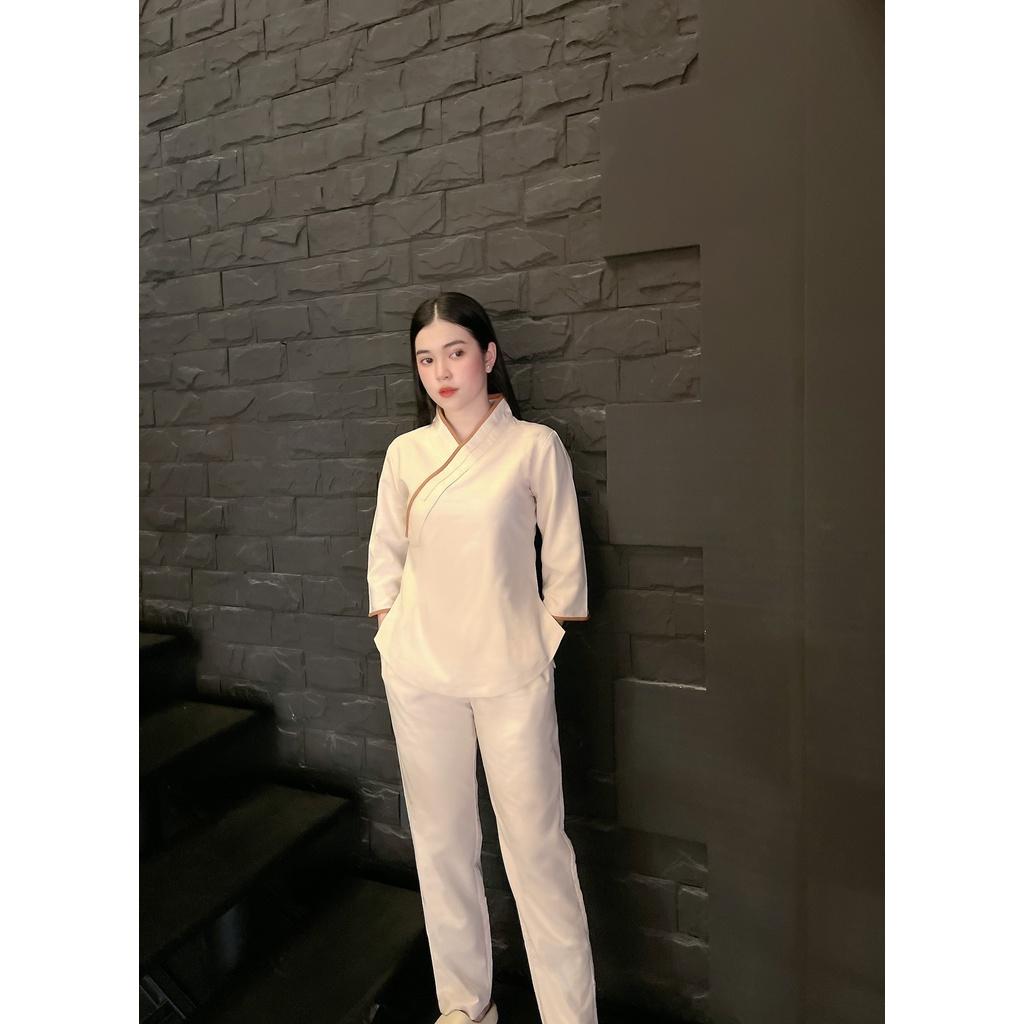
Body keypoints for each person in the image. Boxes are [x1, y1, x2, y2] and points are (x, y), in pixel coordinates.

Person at [366, 292, 599, 1024]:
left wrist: (540, 639)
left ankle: (570, 1016)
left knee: (537, 849)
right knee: (441, 846)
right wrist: (391, 628)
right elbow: (385, 556)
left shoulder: (534, 446)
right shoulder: (405, 455)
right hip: (420, 670)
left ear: (489, 354)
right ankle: (464, 1006)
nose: (441, 372)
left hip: (508, 669)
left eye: (456, 352)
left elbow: (565, 561)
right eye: (425, 359)